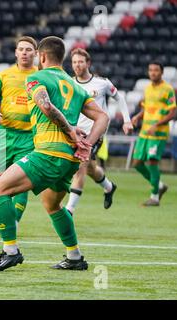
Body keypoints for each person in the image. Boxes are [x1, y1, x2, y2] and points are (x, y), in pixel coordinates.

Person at [0, 36, 109, 271]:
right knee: (52, 205)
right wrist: (88, 143)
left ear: (41, 57)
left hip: (48, 153)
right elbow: (104, 117)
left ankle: (10, 251)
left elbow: (46, 106)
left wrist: (72, 133)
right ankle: (74, 257)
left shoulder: (36, 78)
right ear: (62, 58)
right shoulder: (74, 85)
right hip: (70, 160)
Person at [65, 48, 134, 215]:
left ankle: (69, 210)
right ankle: (109, 187)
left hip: (95, 133)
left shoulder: (102, 83)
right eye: (74, 62)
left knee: (80, 166)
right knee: (90, 168)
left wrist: (127, 120)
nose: (77, 65)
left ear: (88, 63)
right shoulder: (69, 83)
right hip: (76, 132)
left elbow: (119, 98)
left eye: (80, 61)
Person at [0, 36, 38, 224]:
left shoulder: (41, 76)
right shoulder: (5, 75)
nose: (24, 52)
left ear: (36, 53)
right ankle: (6, 219)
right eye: (21, 49)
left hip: (29, 137)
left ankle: (12, 223)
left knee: (21, 180)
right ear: (15, 52)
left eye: (28, 49)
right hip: (5, 134)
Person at [131, 62, 176, 206]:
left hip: (158, 133)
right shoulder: (147, 89)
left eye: (156, 70)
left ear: (161, 73)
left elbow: (172, 112)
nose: (153, 73)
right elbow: (148, 109)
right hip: (145, 131)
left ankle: (155, 197)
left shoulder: (168, 89)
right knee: (137, 163)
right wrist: (138, 116)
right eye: (150, 70)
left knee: (152, 161)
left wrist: (157, 125)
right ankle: (160, 185)